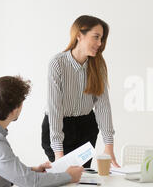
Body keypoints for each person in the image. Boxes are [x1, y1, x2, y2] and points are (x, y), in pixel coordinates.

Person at [42, 15, 119, 168]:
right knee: (64, 177)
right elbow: (55, 109)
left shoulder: (98, 66)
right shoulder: (57, 64)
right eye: (96, 37)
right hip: (58, 127)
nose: (99, 43)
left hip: (86, 127)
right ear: (79, 35)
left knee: (82, 178)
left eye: (101, 39)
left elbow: (103, 106)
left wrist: (109, 145)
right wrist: (59, 153)